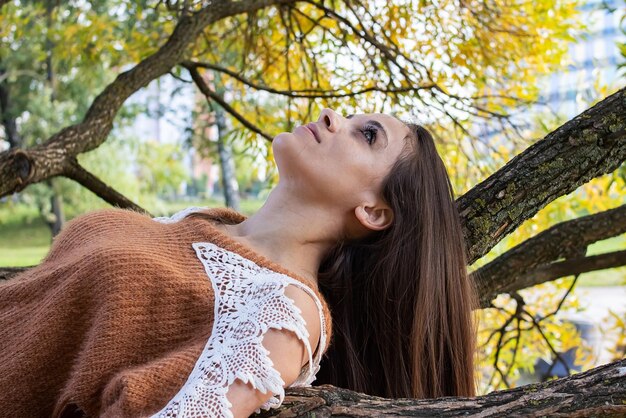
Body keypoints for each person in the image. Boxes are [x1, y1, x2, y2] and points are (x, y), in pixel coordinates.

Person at [0, 108, 477, 417]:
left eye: (366, 135)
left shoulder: (289, 309)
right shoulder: (205, 219)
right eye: (349, 116)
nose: (333, 117)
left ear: (373, 211)